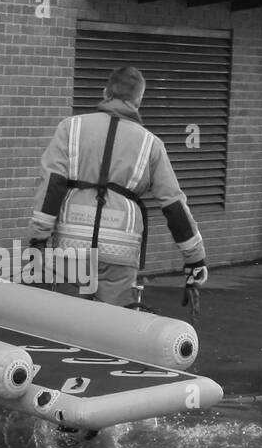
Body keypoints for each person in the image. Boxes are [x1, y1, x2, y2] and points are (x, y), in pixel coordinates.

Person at [27, 65, 207, 308]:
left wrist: (39, 238)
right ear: (138, 100)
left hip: (72, 246)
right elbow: (173, 204)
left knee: (67, 321)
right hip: (120, 251)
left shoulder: (71, 127)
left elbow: (52, 185)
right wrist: (195, 259)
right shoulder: (150, 144)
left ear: (105, 92)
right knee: (114, 328)